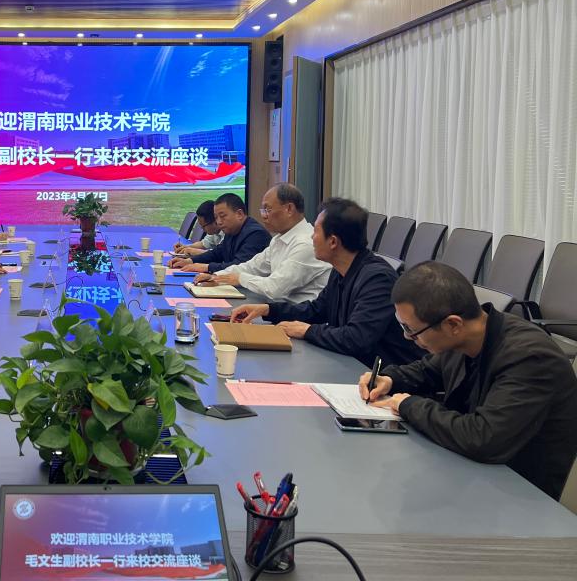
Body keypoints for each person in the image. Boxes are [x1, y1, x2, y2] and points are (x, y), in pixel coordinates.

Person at [359, 261, 577, 500]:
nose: (407, 337)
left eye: (411, 330)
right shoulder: (468, 335)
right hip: (472, 473)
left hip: (520, 494)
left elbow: (483, 439)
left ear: (453, 324)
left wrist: (408, 405)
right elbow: (427, 370)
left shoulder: (530, 358)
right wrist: (390, 379)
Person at [229, 198, 423, 366]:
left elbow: (357, 338)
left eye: (316, 231)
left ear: (333, 242)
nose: (311, 237)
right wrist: (268, 310)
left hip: (385, 379)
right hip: (352, 366)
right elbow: (317, 310)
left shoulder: (377, 279)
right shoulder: (340, 270)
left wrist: (308, 331)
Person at [193, 184, 330, 303]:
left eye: (268, 210)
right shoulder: (279, 239)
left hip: (300, 318)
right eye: (263, 210)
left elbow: (275, 288)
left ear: (289, 209)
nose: (263, 216)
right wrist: (216, 277)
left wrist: (239, 278)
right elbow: (252, 266)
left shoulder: (305, 243)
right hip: (280, 310)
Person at [169, 193, 270, 273]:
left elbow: (239, 266)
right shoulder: (232, 230)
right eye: (216, 217)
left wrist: (206, 267)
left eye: (222, 216)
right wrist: (189, 261)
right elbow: (217, 253)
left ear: (239, 214)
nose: (219, 222)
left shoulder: (256, 234)